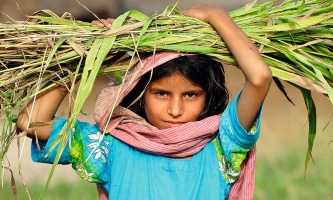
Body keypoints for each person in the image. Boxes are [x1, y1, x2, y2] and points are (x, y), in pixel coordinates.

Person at [17, 4, 272, 200]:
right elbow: (30, 123)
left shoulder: (221, 147)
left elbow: (259, 78)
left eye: (190, 95)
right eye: (161, 93)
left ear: (207, 98)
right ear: (140, 93)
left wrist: (217, 16)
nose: (175, 110)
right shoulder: (111, 148)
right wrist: (87, 54)